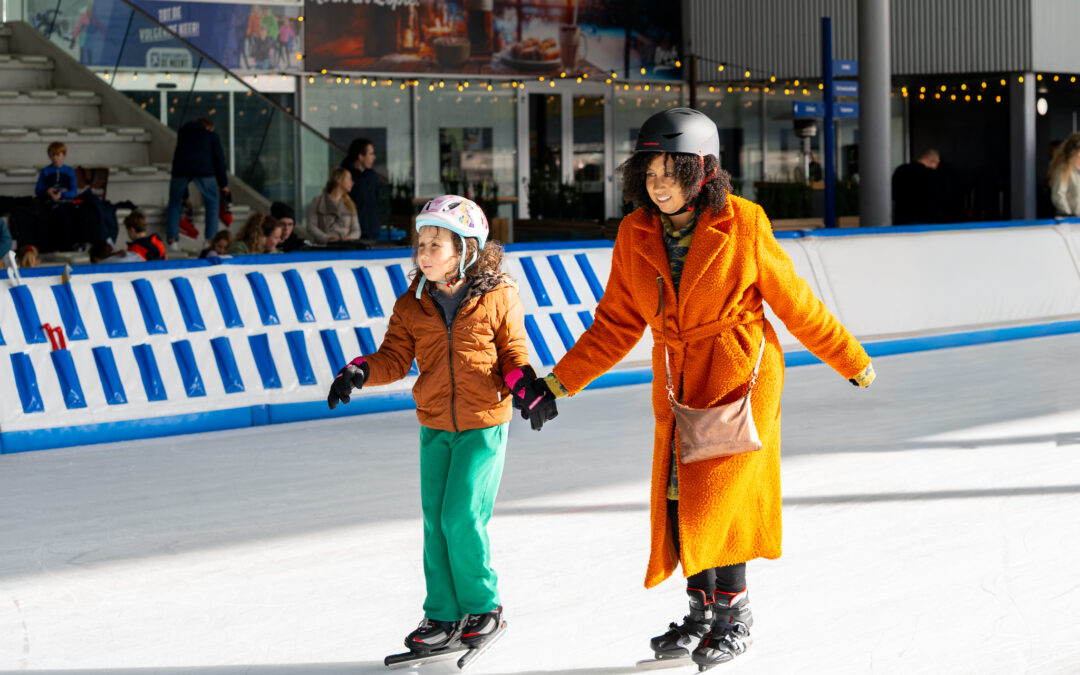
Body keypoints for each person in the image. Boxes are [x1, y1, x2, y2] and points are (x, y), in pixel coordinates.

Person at [517, 108, 876, 669]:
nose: (659, 184)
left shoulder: (744, 222)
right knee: (681, 497)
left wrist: (848, 357)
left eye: (671, 171)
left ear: (703, 171)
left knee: (720, 498)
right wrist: (557, 384)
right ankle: (702, 611)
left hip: (738, 376)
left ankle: (734, 615)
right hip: (679, 378)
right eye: (650, 172)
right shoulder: (635, 232)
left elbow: (794, 301)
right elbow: (615, 323)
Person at [325, 195, 542, 658]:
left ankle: (484, 607)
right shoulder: (412, 304)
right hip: (435, 423)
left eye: (435, 244)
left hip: (483, 424)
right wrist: (360, 369)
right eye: (420, 244)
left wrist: (524, 387)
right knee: (433, 523)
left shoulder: (499, 296)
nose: (423, 253)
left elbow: (513, 355)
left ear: (466, 249)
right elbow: (393, 358)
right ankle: (443, 613)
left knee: (460, 516)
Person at [166, 118, 229, 251]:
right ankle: (209, 240)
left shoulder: (183, 134)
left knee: (174, 203)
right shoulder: (210, 136)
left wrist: (185, 196)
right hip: (204, 170)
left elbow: (180, 160)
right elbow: (219, 160)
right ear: (207, 127)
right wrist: (223, 184)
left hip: (180, 171)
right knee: (212, 203)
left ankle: (172, 241)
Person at [306, 168, 360, 245]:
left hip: (346, 248)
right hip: (325, 248)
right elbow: (311, 226)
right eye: (349, 179)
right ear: (339, 180)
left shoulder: (350, 204)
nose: (352, 182)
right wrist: (327, 238)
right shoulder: (318, 202)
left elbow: (356, 230)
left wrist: (349, 238)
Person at [891, 148, 943, 224]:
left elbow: (893, 195)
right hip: (925, 222)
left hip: (902, 220)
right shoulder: (931, 175)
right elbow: (937, 199)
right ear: (933, 161)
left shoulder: (900, 170)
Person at [342, 137, 379, 240]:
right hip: (350, 236)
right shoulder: (344, 177)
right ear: (361, 157)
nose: (374, 157)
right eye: (370, 154)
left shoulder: (372, 176)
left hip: (372, 234)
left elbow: (376, 200)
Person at [1047, 133, 1080, 216]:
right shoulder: (1064, 169)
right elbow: (1058, 195)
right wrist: (1069, 214)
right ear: (1077, 151)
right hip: (1070, 222)